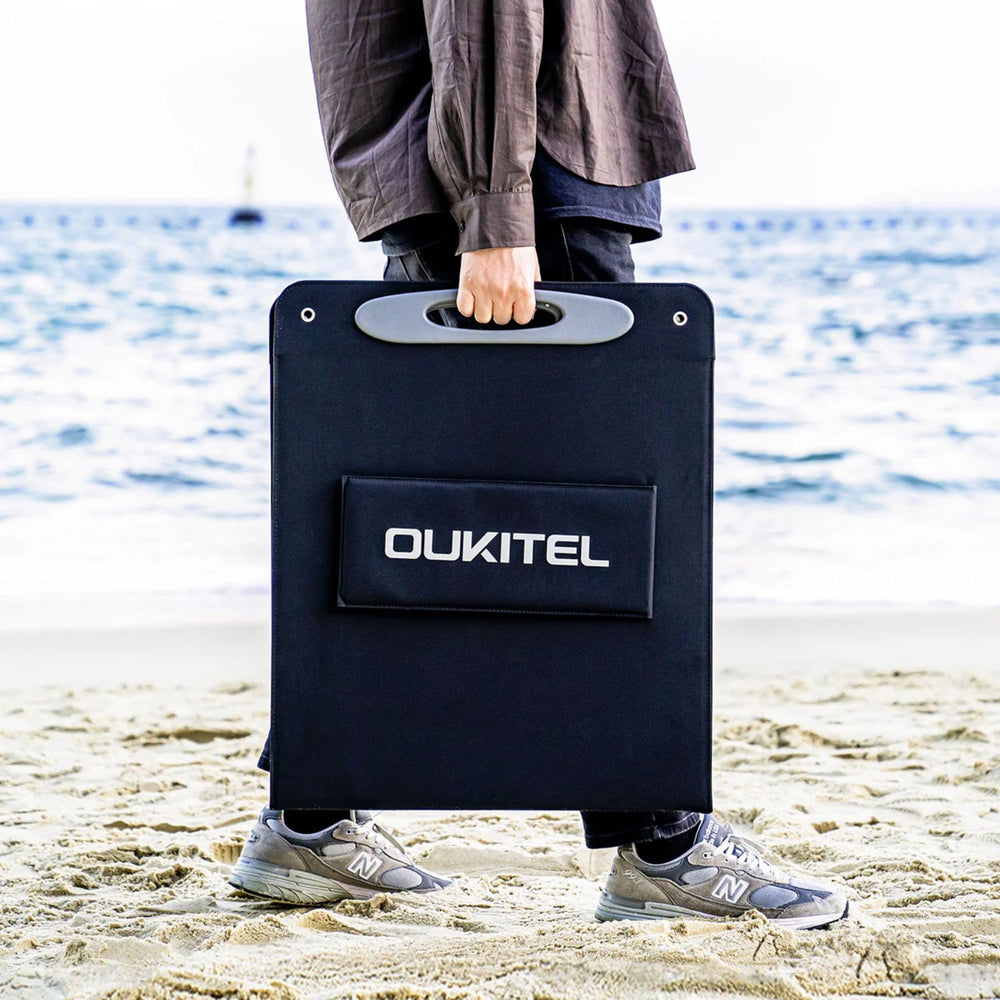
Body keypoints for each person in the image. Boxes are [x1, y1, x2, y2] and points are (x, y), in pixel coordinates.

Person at [228, 0, 849, 929]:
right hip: (532, 169)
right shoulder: (506, 198)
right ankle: (665, 845)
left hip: (474, 155)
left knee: (425, 523)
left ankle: (309, 819)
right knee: (591, 526)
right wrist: (495, 213)